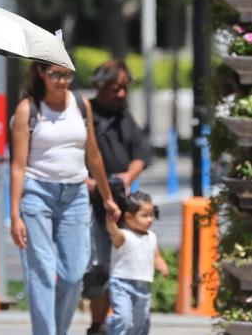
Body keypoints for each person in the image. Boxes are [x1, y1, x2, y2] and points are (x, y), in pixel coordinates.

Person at [9, 61, 120, 335]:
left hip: (75, 195)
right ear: (41, 74)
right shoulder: (28, 109)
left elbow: (92, 155)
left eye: (67, 74)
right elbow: (18, 166)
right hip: (37, 193)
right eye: (55, 74)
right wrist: (14, 215)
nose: (61, 80)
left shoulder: (81, 106)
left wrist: (107, 197)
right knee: (42, 271)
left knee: (73, 275)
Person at [83, 60, 152, 335]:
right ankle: (97, 325)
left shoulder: (124, 116)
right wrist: (89, 183)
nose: (121, 94)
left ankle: (120, 321)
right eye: (115, 89)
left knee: (122, 264)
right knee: (98, 267)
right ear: (101, 87)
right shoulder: (86, 113)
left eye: (124, 88)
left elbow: (142, 155)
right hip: (90, 204)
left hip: (122, 204)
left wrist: (127, 177)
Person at [105, 192, 169, 335]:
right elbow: (113, 231)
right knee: (124, 317)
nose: (149, 219)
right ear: (128, 216)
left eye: (151, 215)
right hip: (122, 284)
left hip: (143, 286)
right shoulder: (123, 236)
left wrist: (161, 263)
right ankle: (111, 329)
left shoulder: (152, 237)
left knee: (141, 321)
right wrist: (110, 219)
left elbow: (156, 255)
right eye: (144, 215)